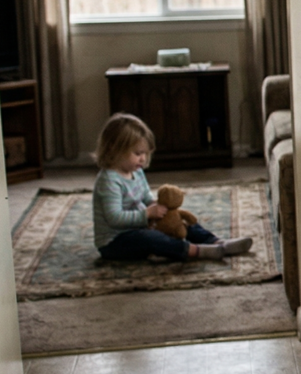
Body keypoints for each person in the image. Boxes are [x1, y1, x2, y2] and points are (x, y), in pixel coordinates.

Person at [93, 113, 253, 263]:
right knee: (150, 238)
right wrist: (146, 214)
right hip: (115, 242)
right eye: (137, 153)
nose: (142, 158)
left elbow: (146, 196)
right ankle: (198, 251)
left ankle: (217, 242)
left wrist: (157, 207)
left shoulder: (137, 171)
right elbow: (114, 218)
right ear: (114, 148)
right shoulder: (109, 180)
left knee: (178, 218)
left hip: (140, 225)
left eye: (145, 153)